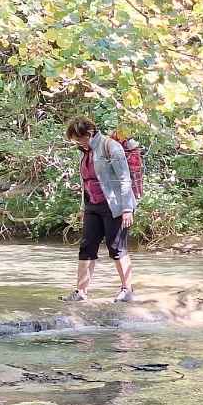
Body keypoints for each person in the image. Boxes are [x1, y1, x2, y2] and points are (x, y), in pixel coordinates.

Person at [62, 116, 137, 302]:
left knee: (116, 248)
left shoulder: (110, 147)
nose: (78, 143)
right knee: (86, 247)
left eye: (80, 139)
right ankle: (81, 292)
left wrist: (127, 208)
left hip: (115, 205)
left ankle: (127, 290)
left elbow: (124, 178)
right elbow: (87, 181)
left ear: (89, 133)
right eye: (75, 140)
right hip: (92, 205)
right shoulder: (85, 152)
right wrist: (83, 207)